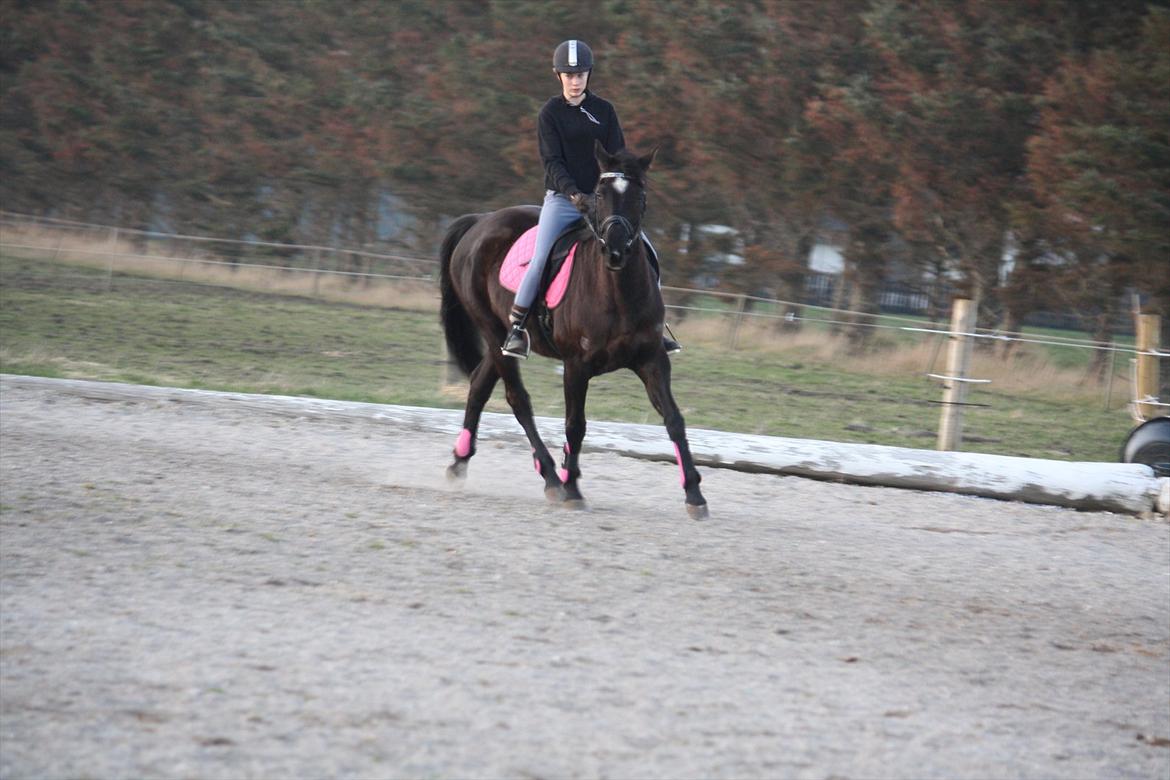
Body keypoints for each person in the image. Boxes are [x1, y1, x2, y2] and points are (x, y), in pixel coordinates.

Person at [502, 39, 681, 358]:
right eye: (569, 75)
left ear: (588, 75)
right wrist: (573, 194)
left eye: (580, 74)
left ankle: (654, 327)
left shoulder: (605, 111)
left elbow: (618, 157)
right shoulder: (550, 113)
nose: (575, 81)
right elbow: (552, 161)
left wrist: (613, 191)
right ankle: (517, 328)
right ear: (558, 76)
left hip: (603, 202)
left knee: (646, 252)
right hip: (562, 199)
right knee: (542, 257)